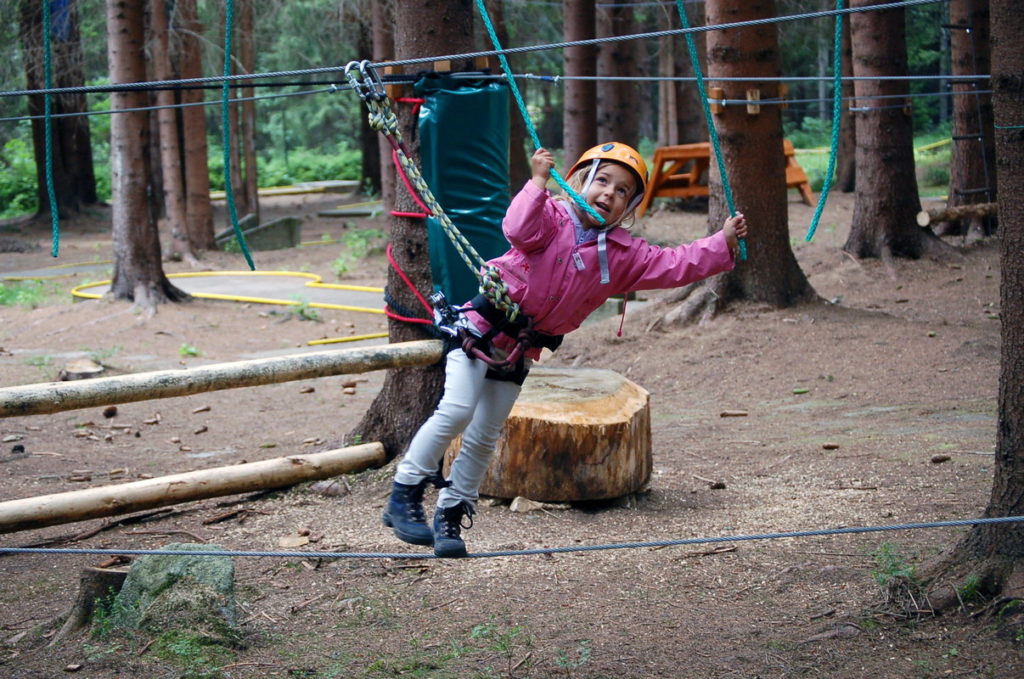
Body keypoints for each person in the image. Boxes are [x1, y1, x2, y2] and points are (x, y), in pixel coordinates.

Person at [383, 142, 748, 557]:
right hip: (482, 328)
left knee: (484, 435)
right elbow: (517, 229)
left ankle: (451, 513)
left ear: (629, 207)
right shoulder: (551, 218)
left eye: (623, 190)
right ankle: (405, 492)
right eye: (603, 181)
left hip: (520, 348)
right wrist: (537, 182)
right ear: (580, 181)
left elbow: (674, 263)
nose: (609, 193)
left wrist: (722, 242)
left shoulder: (624, 255)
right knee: (457, 409)